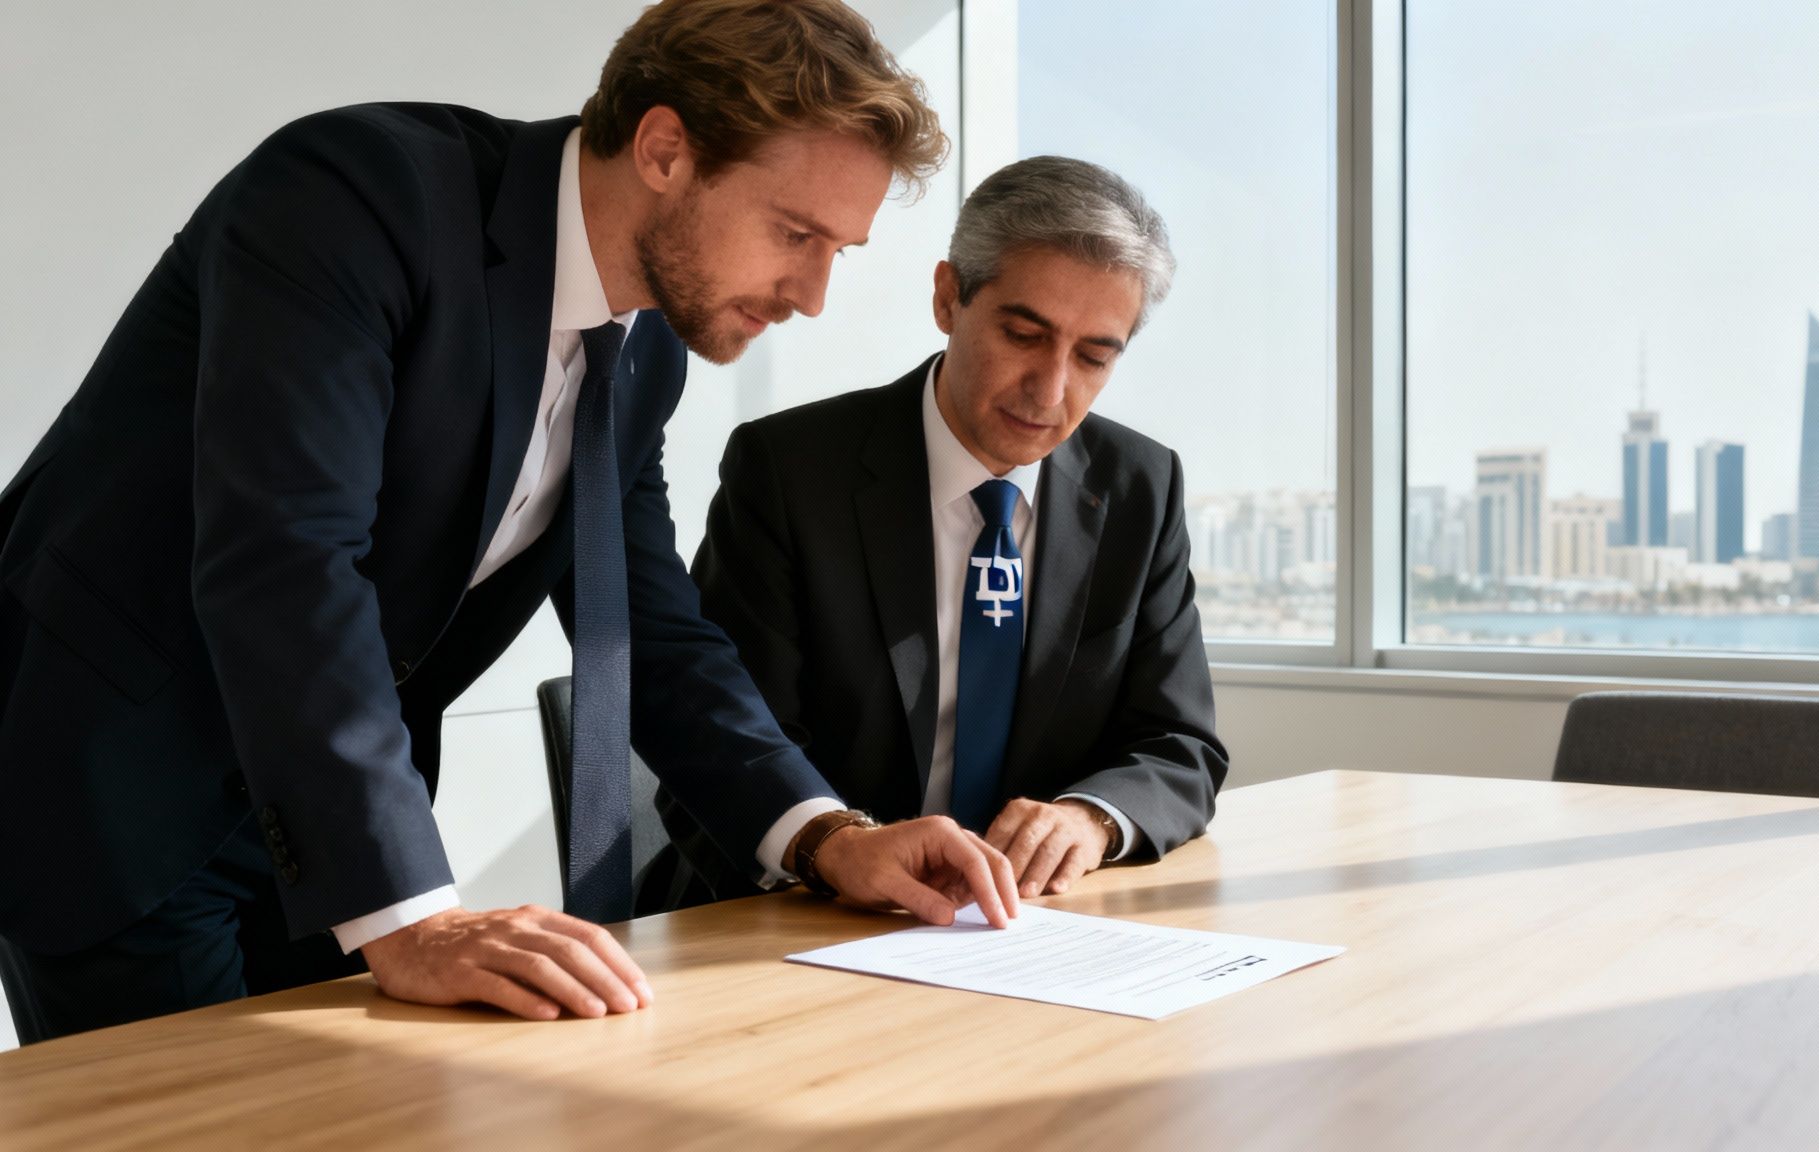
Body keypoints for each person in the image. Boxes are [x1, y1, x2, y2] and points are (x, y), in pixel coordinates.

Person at [0, 0, 1018, 1046]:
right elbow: (287, 558)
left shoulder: (644, 355)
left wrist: (825, 835)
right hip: (123, 782)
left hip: (325, 821)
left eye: (835, 251)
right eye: (793, 233)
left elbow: (647, 632)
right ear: (665, 149)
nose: (808, 294)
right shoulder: (356, 195)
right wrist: (411, 916)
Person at [649, 156, 1227, 912]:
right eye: (1024, 335)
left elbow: (1179, 746)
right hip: (803, 916)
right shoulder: (791, 473)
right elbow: (721, 745)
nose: (1051, 391)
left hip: (1025, 931)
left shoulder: (1138, 487)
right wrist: (837, 848)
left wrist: (1091, 820)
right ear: (948, 298)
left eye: (1092, 357)